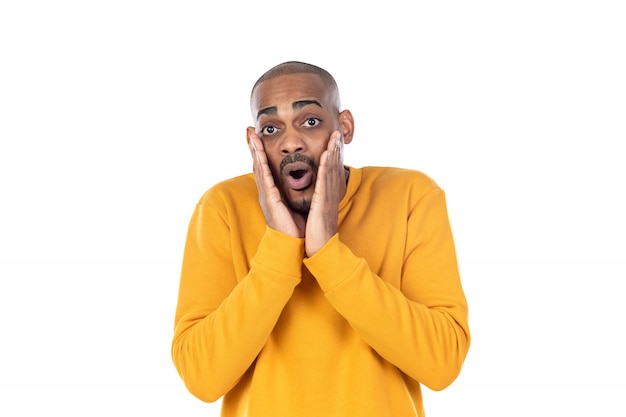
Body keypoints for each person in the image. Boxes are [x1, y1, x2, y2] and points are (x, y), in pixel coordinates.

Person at [171, 61, 470, 417]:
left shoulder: (410, 196)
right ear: (255, 141)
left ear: (344, 126)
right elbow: (202, 378)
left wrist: (329, 254)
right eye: (270, 128)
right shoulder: (223, 207)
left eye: (310, 121)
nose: (290, 142)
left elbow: (442, 364)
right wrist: (280, 248)